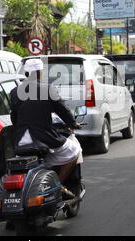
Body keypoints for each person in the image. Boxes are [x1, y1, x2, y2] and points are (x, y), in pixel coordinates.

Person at [10, 59, 82, 198]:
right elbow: (62, 109)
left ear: (26, 73)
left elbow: (15, 117)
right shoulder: (47, 89)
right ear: (39, 73)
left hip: (21, 141)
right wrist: (73, 123)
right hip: (44, 138)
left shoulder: (14, 91)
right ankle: (58, 185)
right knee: (74, 151)